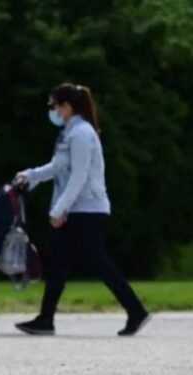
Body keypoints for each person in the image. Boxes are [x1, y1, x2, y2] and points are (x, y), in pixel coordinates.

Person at [14, 83, 150, 337]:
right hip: (76, 209)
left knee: (96, 262)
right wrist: (29, 176)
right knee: (59, 262)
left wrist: (59, 209)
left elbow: (79, 175)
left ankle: (136, 310)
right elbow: (57, 167)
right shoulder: (71, 132)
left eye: (55, 105)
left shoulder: (81, 134)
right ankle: (46, 319)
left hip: (86, 210)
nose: (53, 110)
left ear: (66, 106)